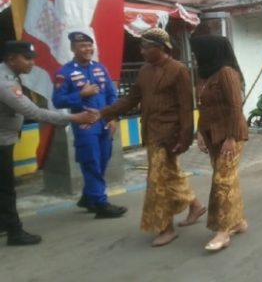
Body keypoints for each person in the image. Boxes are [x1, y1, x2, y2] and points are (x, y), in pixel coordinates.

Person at [96, 28, 205, 247]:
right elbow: (130, 99)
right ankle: (195, 206)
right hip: (151, 133)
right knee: (170, 176)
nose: (142, 51)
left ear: (161, 48)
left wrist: (186, 138)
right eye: (142, 47)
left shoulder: (178, 70)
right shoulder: (145, 71)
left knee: (157, 182)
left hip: (170, 135)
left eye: (146, 47)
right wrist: (103, 113)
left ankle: (166, 228)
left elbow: (186, 107)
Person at [0, 41, 95, 246]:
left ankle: (4, 223)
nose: (32, 63)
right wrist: (74, 118)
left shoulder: (9, 74)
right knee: (6, 188)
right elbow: (33, 112)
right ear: (11, 59)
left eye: (32, 58)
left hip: (5, 138)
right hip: (2, 142)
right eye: (27, 58)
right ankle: (14, 232)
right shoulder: (4, 80)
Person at [52, 32, 127, 219]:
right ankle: (101, 204)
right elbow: (57, 101)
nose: (87, 49)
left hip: (104, 123)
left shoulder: (100, 68)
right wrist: (81, 95)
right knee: (91, 162)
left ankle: (88, 197)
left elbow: (111, 94)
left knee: (102, 160)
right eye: (82, 46)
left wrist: (112, 117)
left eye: (89, 45)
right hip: (85, 126)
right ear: (73, 49)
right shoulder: (64, 73)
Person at [190, 34, 248, 252]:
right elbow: (202, 107)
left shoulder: (226, 73)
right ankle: (238, 221)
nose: (194, 58)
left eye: (197, 53)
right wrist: (200, 133)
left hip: (230, 137)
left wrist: (231, 138)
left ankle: (223, 231)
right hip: (212, 135)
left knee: (222, 182)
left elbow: (235, 107)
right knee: (227, 180)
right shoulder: (203, 75)